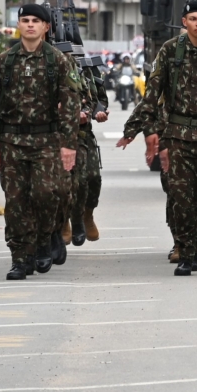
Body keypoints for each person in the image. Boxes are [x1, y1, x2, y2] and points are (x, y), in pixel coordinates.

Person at [117, 0, 197, 276]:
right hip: (179, 135)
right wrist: (133, 129)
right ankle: (189, 253)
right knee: (182, 197)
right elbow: (152, 95)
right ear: (184, 22)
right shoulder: (169, 51)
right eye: (193, 19)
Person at [0, 4, 83, 281]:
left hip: (46, 141)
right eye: (25, 20)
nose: (30, 25)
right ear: (19, 25)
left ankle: (45, 239)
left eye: (36, 21)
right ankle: (20, 258)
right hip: (11, 141)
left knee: (46, 195)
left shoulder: (58, 61)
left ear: (46, 27)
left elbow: (70, 104)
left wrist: (68, 144)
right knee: (16, 202)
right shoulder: (4, 61)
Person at [65, 42, 110, 248]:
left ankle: (87, 214)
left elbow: (99, 98)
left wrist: (95, 112)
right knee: (71, 182)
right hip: (58, 136)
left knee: (92, 179)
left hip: (84, 134)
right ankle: (65, 220)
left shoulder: (87, 71)